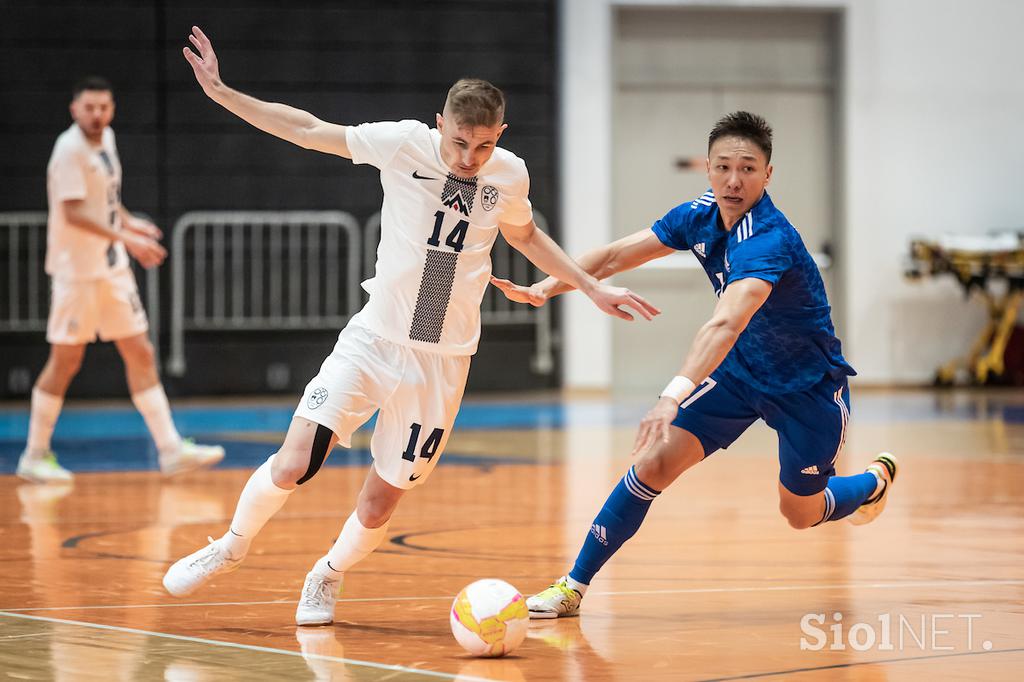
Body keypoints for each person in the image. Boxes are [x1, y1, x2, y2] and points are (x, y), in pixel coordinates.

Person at [162, 26, 659, 627]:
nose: (468, 158)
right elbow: (309, 130)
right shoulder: (403, 144)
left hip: (443, 360)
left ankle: (327, 575)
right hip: (374, 338)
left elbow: (526, 235)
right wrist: (224, 94)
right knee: (295, 461)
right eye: (458, 143)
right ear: (439, 124)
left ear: (499, 136)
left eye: (481, 146)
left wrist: (590, 286)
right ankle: (232, 545)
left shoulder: (510, 175)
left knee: (379, 502)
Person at [490, 111, 899, 618]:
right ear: (706, 168)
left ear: (768, 175)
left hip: (807, 388)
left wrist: (670, 396)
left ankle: (873, 483)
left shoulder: (768, 239)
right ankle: (572, 586)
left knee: (800, 512)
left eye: (748, 168)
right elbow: (618, 255)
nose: (734, 180)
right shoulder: (700, 214)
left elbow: (725, 323)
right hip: (739, 375)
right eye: (723, 166)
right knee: (652, 464)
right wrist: (548, 287)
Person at [17, 76, 225, 484]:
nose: (97, 115)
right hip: (76, 273)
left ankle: (169, 449)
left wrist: (130, 224)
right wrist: (126, 238)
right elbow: (74, 212)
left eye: (104, 107)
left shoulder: (107, 139)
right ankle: (34, 454)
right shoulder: (68, 150)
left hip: (111, 270)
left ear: (111, 110)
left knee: (140, 351)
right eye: (90, 108)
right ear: (74, 109)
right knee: (65, 360)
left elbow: (107, 201)